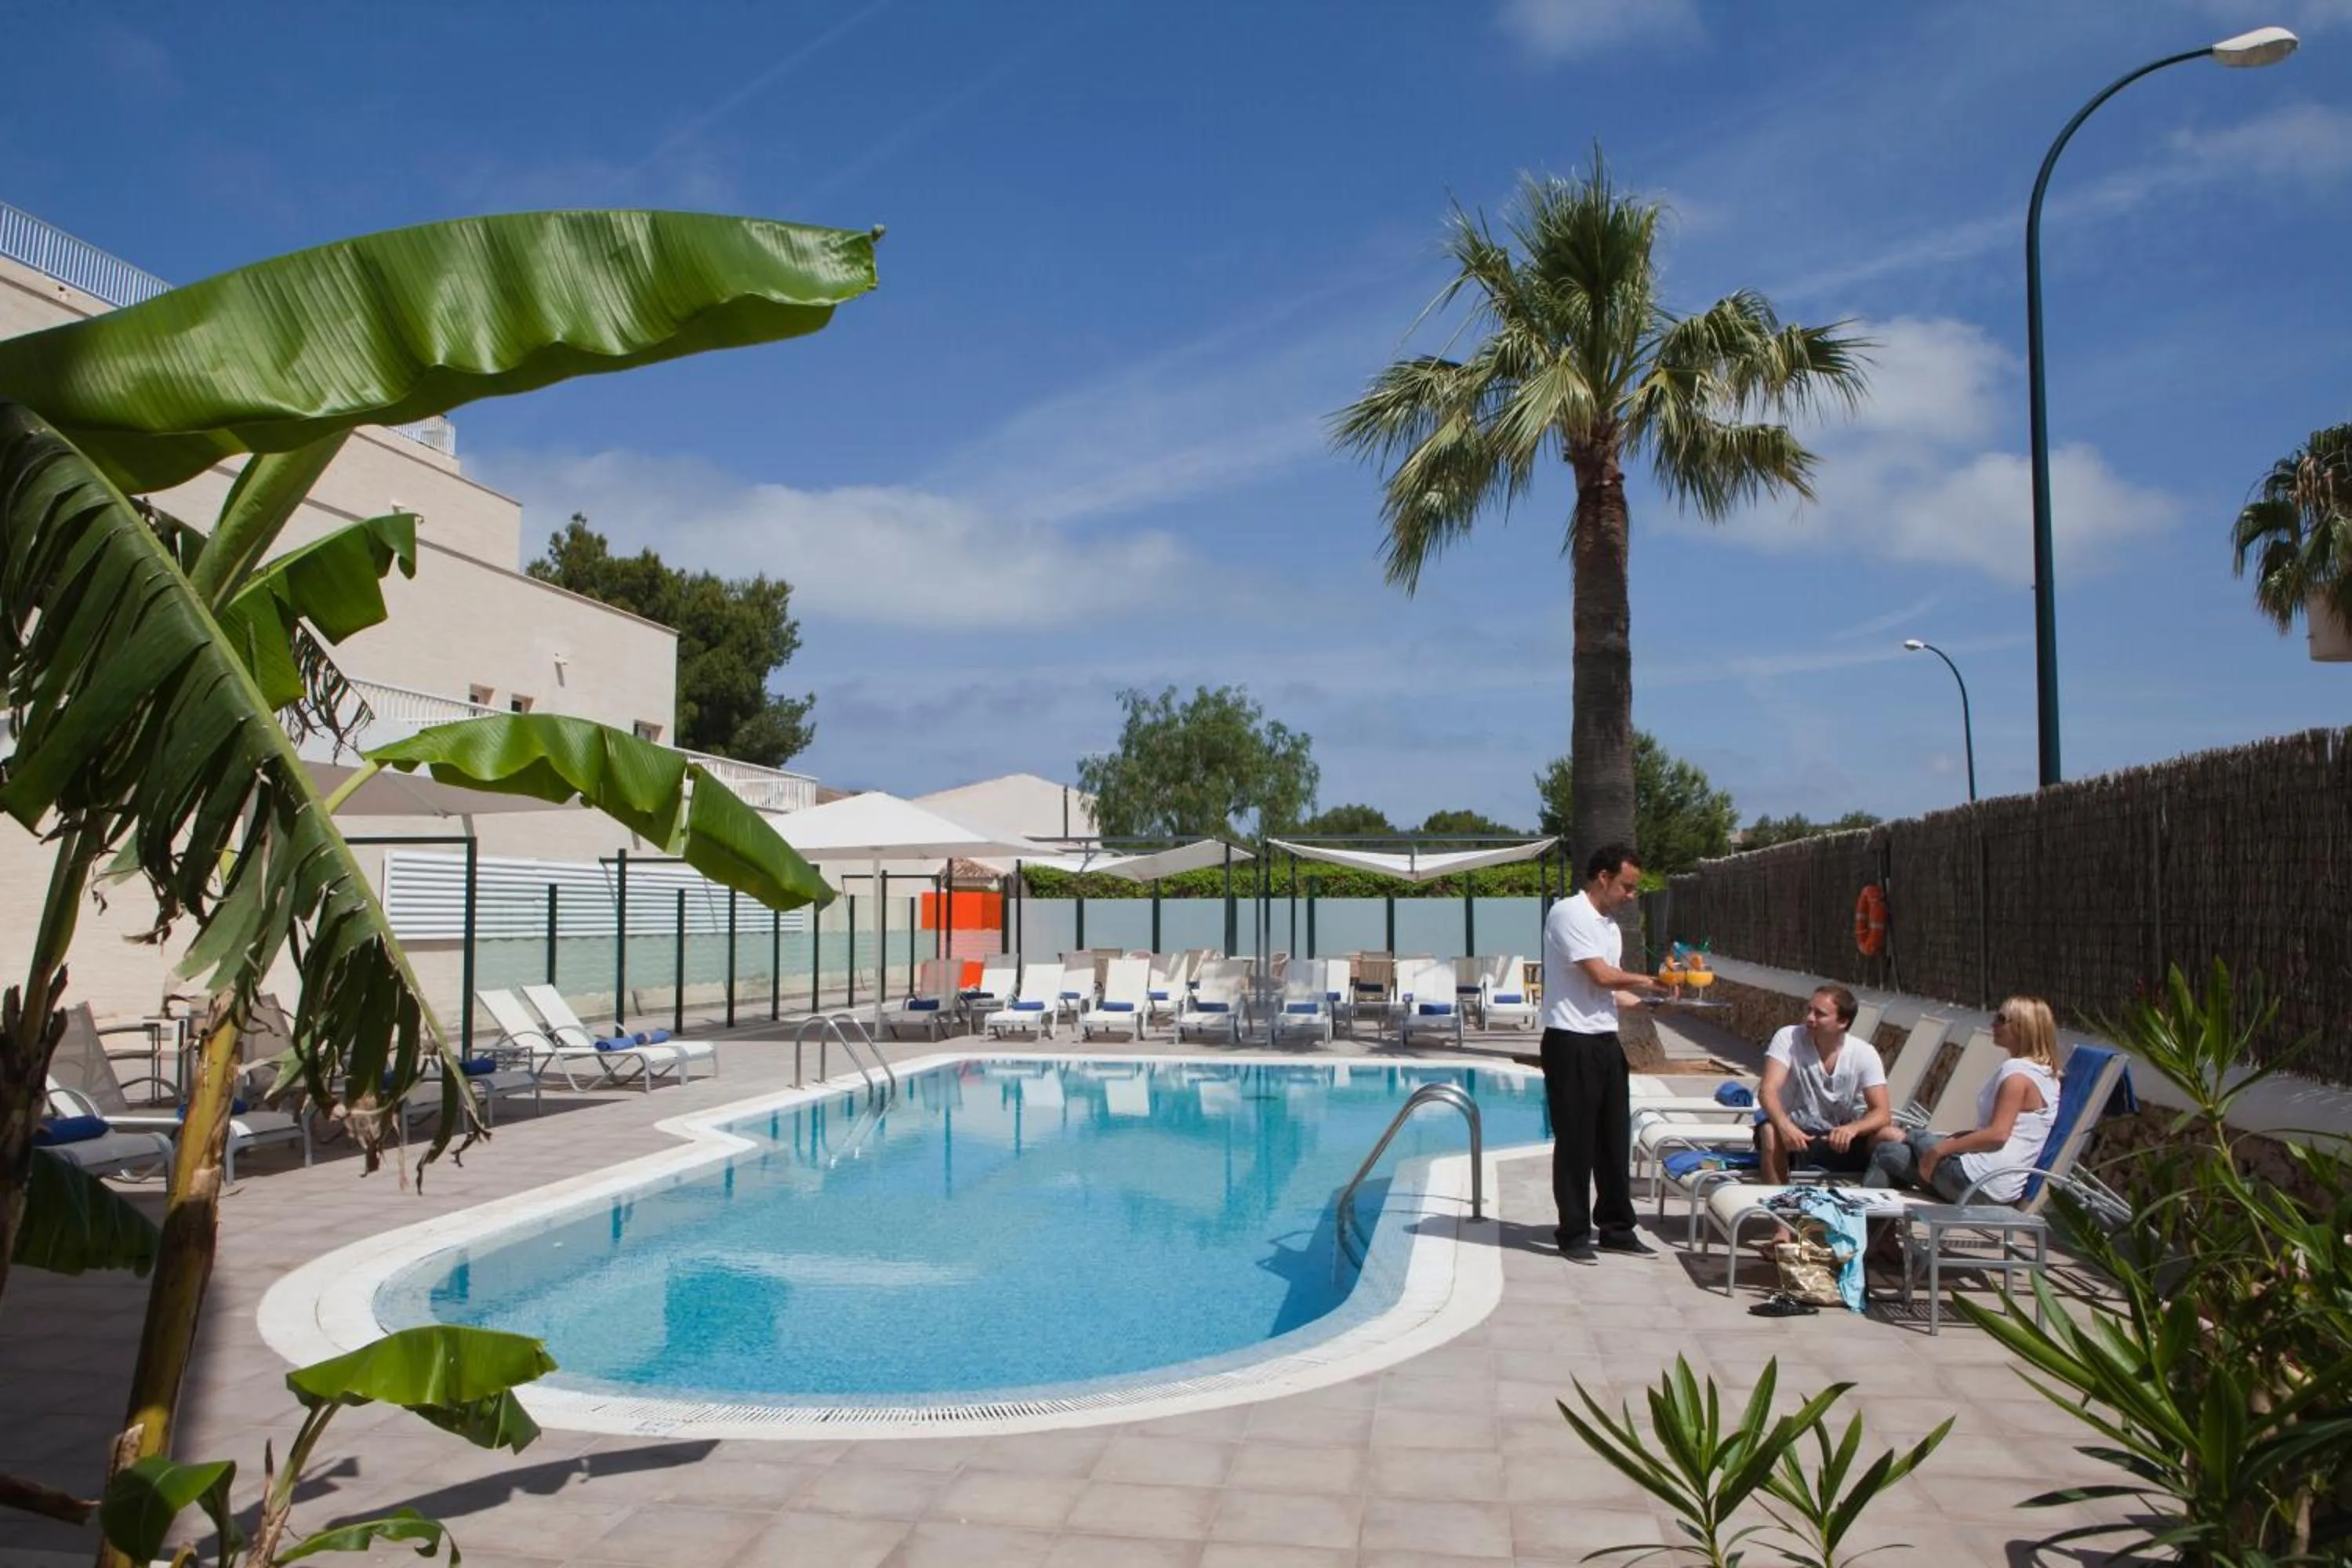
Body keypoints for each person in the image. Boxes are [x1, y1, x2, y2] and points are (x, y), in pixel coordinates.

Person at [1541, 842, 1664, 1263]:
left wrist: (1650, 1000)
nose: (1631, 896)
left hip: (1603, 1040)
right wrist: (1649, 980)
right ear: (1603, 878)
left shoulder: (1608, 926)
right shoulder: (1569, 914)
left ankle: (1616, 1228)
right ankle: (1573, 1233)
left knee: (1614, 1139)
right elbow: (1599, 975)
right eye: (1627, 887)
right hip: (1570, 1042)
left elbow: (1607, 992)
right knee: (1576, 1141)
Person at [1867, 995, 2062, 1203]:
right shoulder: (2048, 1076)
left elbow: (1998, 1135)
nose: (1993, 1024)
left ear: (2023, 1028)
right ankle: (1879, 1234)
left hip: (1975, 1182)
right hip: (1995, 1187)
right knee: (1889, 1152)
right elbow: (2012, 1132)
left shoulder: (2017, 1076)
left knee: (1902, 1142)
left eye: (2001, 1019)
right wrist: (1954, 1140)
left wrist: (1938, 1151)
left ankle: (1857, 1228)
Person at [1755, 985, 1893, 1183]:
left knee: (1890, 1135)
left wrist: (1853, 1129)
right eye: (1809, 1010)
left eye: (1820, 1014)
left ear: (1843, 1022)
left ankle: (1877, 1208)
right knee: (1769, 1130)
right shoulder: (1789, 1038)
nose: (1809, 1018)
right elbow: (1768, 1091)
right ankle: (1778, 1204)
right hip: (1793, 1136)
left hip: (1839, 1140)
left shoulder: (1864, 1053)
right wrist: (1784, 1126)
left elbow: (1882, 1113)